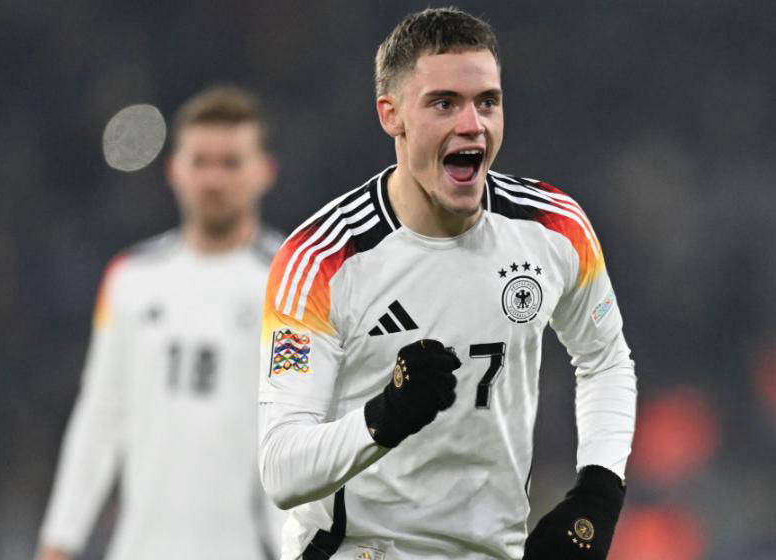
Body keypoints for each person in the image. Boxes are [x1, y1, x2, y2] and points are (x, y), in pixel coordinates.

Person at [257, 7, 636, 560]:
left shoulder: (553, 227)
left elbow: (605, 359)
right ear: (391, 115)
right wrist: (385, 417)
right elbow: (281, 468)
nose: (472, 124)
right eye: (444, 104)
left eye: (488, 102)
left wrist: (597, 496)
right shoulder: (321, 260)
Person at [37, 86, 284, 560]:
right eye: (200, 162)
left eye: (231, 163)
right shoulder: (130, 278)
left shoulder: (290, 288)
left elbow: (295, 434)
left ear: (263, 172)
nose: (214, 178)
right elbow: (100, 415)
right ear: (175, 170)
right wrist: (59, 541)